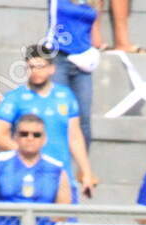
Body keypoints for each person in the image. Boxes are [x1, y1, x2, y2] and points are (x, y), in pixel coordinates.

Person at [0, 45, 97, 195]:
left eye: (40, 67)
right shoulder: (15, 98)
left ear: (51, 69)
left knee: (63, 217)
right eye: (31, 67)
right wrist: (28, 152)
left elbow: (75, 136)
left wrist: (86, 171)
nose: (36, 72)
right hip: (26, 175)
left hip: (61, 175)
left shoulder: (65, 96)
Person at [45, 1, 104, 145]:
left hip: (83, 61)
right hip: (59, 56)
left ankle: (81, 166)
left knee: (83, 117)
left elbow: (95, 29)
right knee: (58, 113)